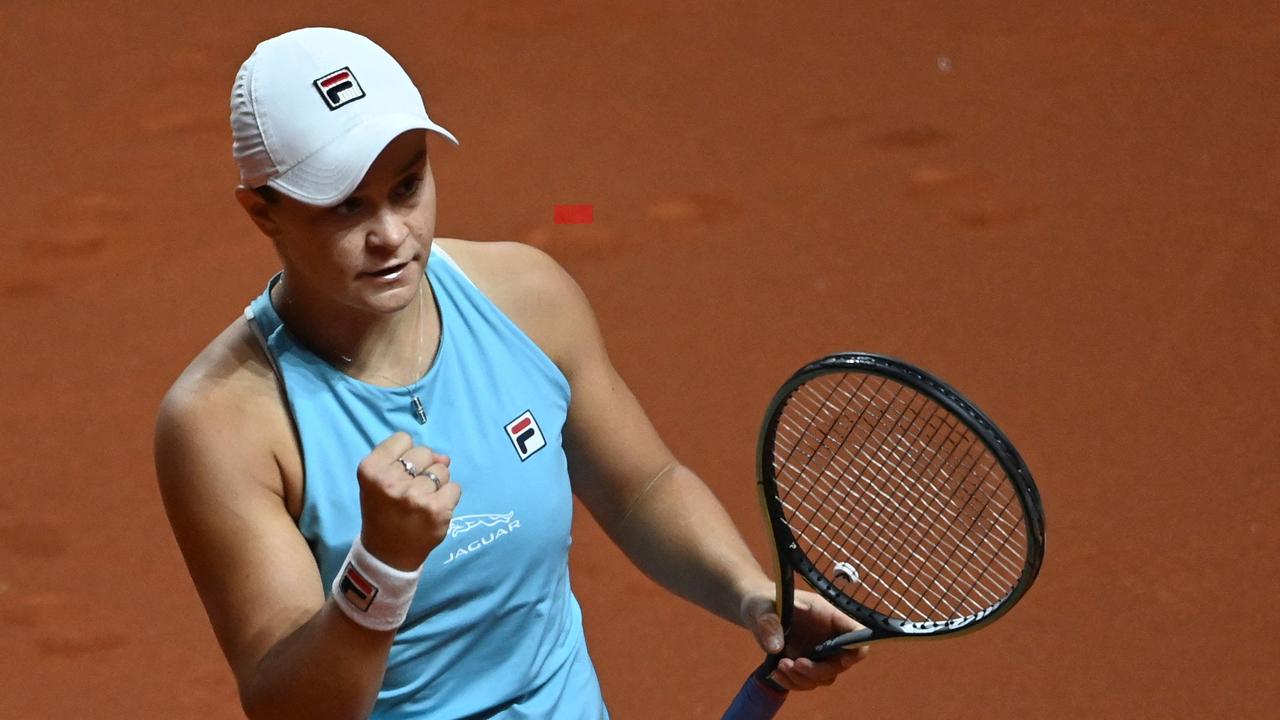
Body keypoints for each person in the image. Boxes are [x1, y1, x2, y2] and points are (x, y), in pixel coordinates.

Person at [155, 26, 867, 719]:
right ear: (262, 213)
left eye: (408, 187)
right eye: (347, 207)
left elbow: (640, 489)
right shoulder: (224, 423)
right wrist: (381, 568)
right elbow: (293, 709)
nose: (393, 236)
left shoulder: (527, 298)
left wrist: (751, 594)